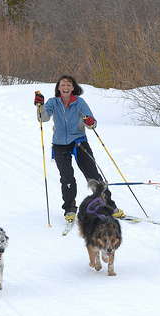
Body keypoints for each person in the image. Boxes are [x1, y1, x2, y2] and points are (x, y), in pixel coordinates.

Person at [34, 74, 124, 223]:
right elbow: (43, 118)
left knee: (93, 175)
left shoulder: (79, 102)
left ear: (73, 87)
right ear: (58, 88)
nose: (65, 87)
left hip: (79, 141)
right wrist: (40, 105)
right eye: (62, 85)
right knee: (66, 177)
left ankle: (109, 206)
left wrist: (90, 122)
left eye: (68, 85)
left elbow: (91, 122)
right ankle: (69, 209)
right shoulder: (53, 102)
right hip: (59, 144)